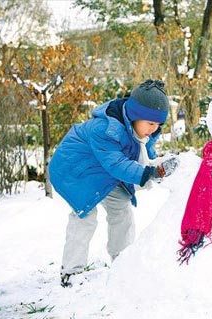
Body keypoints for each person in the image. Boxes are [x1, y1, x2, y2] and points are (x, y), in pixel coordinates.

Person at [49, 79, 179, 287]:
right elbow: (116, 163)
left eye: (158, 125)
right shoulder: (106, 129)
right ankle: (71, 272)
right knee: (85, 217)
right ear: (135, 115)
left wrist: (157, 167)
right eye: (150, 123)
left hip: (102, 173)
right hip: (75, 171)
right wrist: (148, 173)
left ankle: (123, 261)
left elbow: (142, 154)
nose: (154, 130)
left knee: (122, 210)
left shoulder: (141, 130)